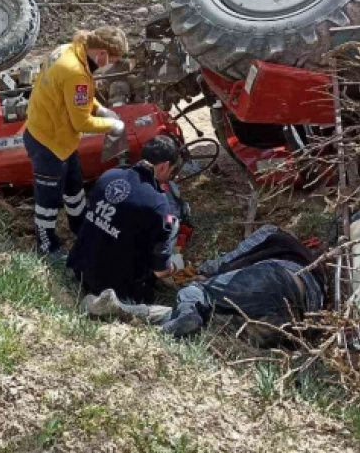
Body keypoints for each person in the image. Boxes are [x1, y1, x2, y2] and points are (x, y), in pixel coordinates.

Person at [85, 224, 326, 347]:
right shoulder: (320, 271)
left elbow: (227, 262)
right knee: (205, 316)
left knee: (194, 294)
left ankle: (164, 333)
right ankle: (121, 309)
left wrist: (201, 274)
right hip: (291, 322)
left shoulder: (274, 234)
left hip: (276, 279)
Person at [23, 26, 129, 260]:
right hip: (48, 142)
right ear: (102, 53)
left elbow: (69, 96)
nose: (111, 64)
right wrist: (112, 126)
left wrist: (99, 108)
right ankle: (46, 244)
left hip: (59, 137)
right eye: (113, 59)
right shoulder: (76, 73)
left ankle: (79, 225)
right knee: (48, 200)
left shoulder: (67, 50)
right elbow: (81, 122)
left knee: (74, 186)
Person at [67, 135, 184, 305]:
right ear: (165, 166)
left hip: (80, 269)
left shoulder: (109, 175)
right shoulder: (158, 203)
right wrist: (174, 265)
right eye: (172, 170)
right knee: (172, 224)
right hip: (115, 289)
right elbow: (160, 272)